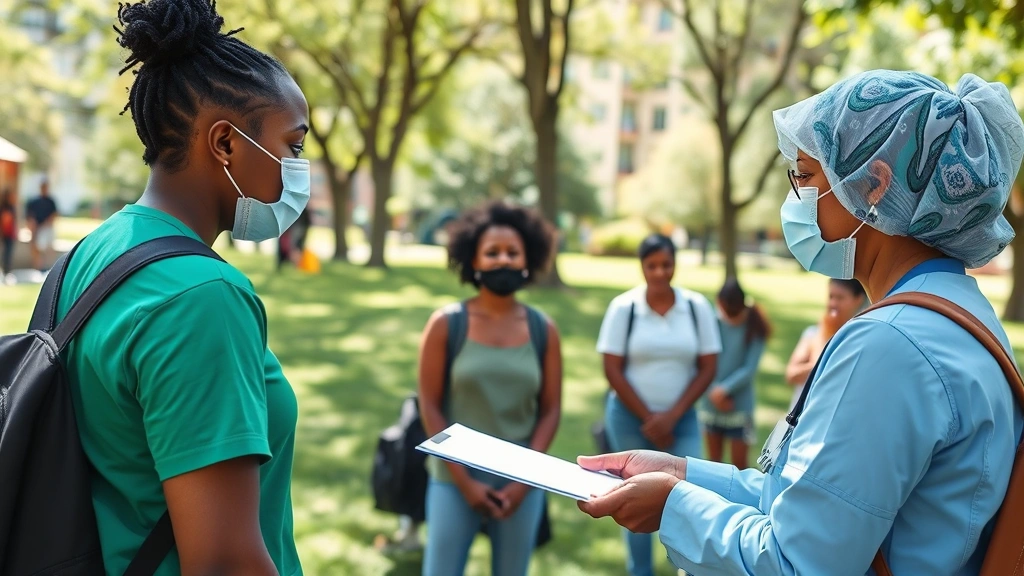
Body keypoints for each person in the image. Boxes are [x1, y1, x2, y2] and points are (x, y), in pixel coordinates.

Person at [576, 69, 1024, 575]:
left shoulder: (891, 344)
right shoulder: (963, 318)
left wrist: (672, 507)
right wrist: (683, 473)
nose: (797, 200)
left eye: (807, 177)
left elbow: (797, 562)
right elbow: (822, 502)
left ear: (874, 183)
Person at [55, 1, 309, 574]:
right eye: (293, 146)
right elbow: (223, 561)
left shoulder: (92, 252)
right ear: (225, 144)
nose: (300, 168)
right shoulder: (202, 297)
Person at [417, 201, 562, 576]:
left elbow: (550, 411)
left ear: (528, 259)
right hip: (453, 478)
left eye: (512, 253)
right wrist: (464, 483)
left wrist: (522, 481)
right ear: (474, 261)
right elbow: (430, 406)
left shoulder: (543, 330)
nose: (503, 260)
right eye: (492, 252)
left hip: (522, 483)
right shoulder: (447, 324)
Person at [594, 233, 721, 576]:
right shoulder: (625, 308)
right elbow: (612, 368)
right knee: (632, 497)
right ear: (642, 267)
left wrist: (672, 417)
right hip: (628, 418)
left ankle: (689, 569)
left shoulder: (695, 307)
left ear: (675, 264)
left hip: (681, 419)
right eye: (652, 266)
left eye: (667, 264)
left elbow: (709, 366)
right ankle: (640, 570)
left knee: (691, 496)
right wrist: (650, 419)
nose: (660, 272)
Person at [699, 278, 770, 470]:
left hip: (740, 406)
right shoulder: (711, 322)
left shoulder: (755, 325)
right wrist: (714, 392)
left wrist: (724, 390)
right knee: (713, 464)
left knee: (740, 465)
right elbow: (701, 362)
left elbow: (749, 368)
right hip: (710, 404)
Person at [784, 278, 866, 410]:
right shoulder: (813, 334)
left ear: (858, 300)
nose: (833, 303)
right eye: (831, 296)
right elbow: (791, 375)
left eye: (840, 298)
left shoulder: (861, 340)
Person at [25, 180, 57, 271]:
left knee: (48, 248)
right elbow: (29, 215)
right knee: (35, 248)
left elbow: (54, 214)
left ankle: (49, 268)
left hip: (46, 228)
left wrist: (46, 223)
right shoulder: (34, 201)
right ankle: (38, 267)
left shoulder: (50, 201)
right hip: (36, 228)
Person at [1, 188, 16, 279]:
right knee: (5, 253)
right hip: (4, 233)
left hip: (10, 234)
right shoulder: (4, 208)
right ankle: (4, 270)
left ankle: (7, 271)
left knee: (9, 253)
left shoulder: (12, 207)